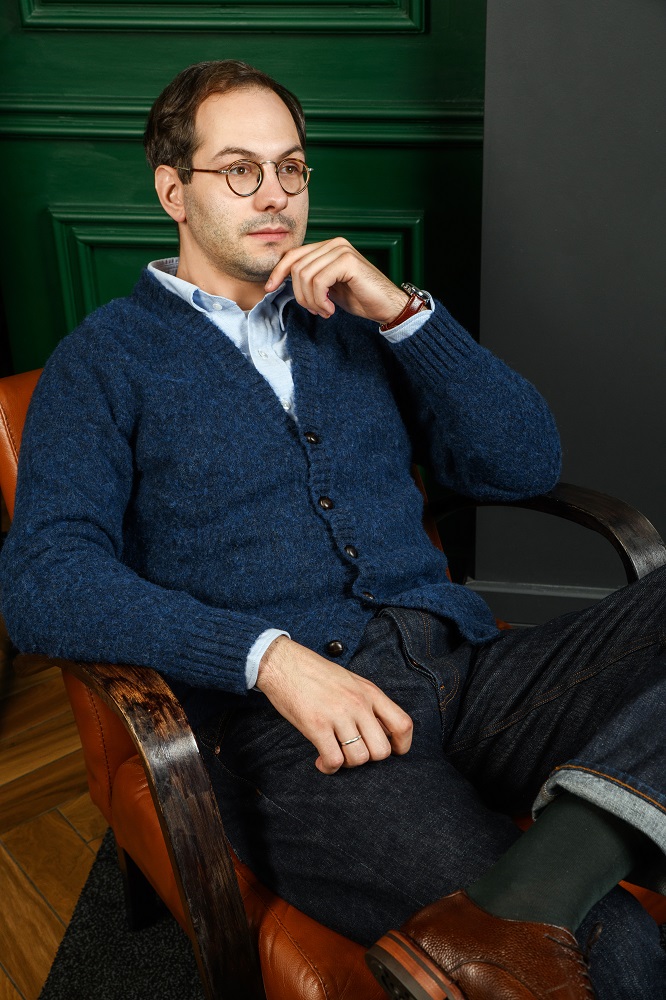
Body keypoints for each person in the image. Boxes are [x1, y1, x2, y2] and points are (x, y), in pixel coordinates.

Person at [1, 60, 665, 1000]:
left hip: (466, 673)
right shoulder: (102, 362)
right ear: (173, 191)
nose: (275, 194)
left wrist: (405, 316)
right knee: (604, 942)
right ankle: (562, 878)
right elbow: (43, 580)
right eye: (240, 170)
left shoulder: (354, 323)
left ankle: (542, 875)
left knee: (546, 906)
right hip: (299, 741)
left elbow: (522, 464)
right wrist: (269, 658)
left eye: (291, 168)